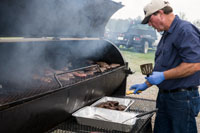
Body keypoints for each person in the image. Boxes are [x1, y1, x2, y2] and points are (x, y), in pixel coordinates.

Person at [129, 0, 200, 132]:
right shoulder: (166, 34)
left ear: (160, 13)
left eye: (150, 20)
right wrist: (146, 84)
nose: (150, 25)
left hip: (182, 99)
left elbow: (195, 65)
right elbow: (165, 66)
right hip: (165, 97)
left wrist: (163, 76)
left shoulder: (185, 30)